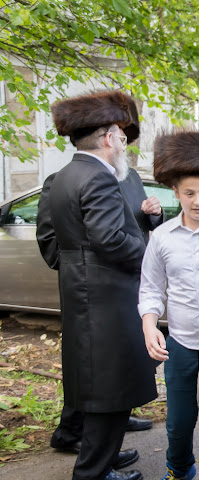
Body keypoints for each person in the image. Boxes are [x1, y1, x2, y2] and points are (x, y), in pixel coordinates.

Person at [35, 90, 157, 480]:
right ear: (107, 138)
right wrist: (152, 258)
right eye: (120, 136)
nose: (123, 143)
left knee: (101, 385)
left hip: (87, 294)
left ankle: (101, 459)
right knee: (110, 387)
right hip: (107, 297)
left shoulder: (68, 174)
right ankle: (94, 472)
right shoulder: (99, 176)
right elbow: (109, 239)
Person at [139, 131, 199, 480]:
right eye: (189, 193)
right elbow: (151, 288)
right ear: (176, 192)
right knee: (179, 421)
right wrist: (149, 325)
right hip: (180, 345)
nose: (198, 202)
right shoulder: (162, 237)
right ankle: (179, 470)